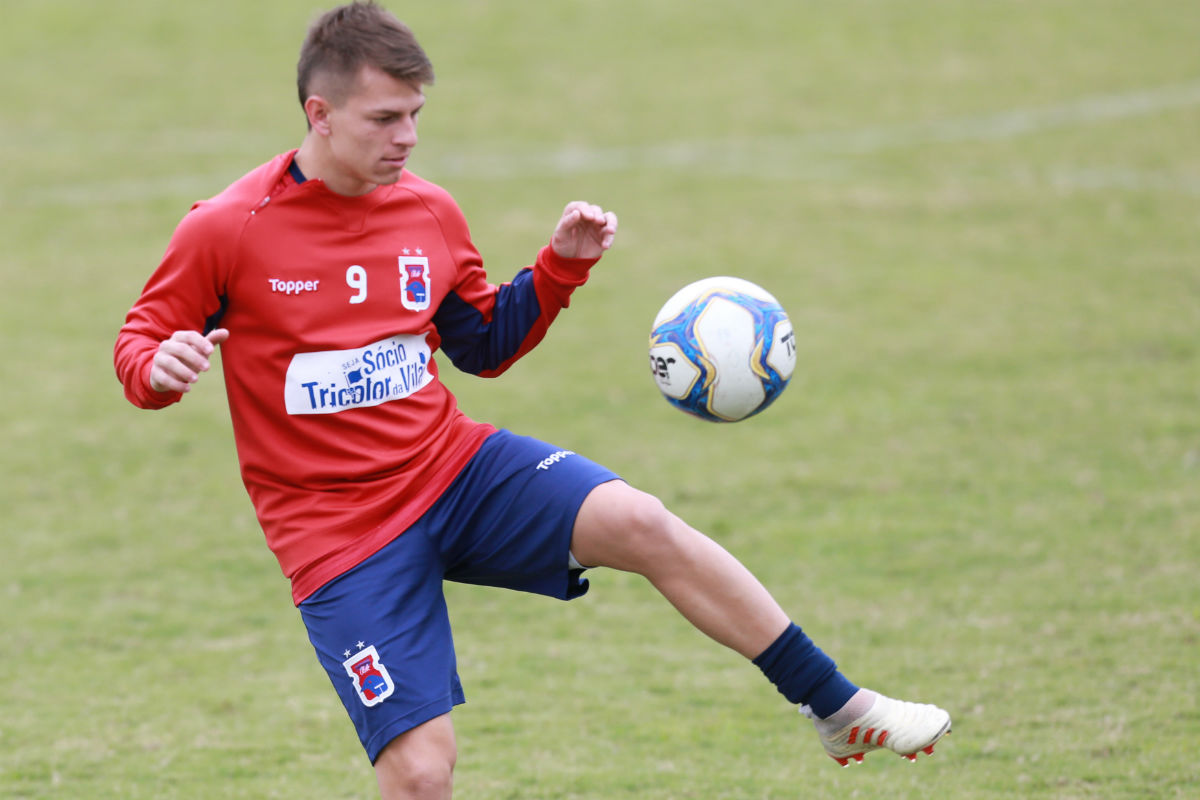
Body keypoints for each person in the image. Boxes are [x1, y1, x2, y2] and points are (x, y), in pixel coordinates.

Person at [114, 3, 950, 797]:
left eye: (414, 115)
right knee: (421, 774)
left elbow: (481, 345)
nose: (405, 138)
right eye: (383, 120)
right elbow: (138, 342)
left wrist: (558, 267)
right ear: (319, 112)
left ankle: (840, 709)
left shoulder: (428, 211)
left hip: (452, 470)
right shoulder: (228, 229)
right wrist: (160, 368)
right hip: (339, 534)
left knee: (642, 521)